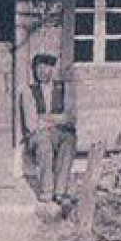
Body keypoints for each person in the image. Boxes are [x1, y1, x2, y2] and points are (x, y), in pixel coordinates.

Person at [19, 53, 77, 205]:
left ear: (53, 69)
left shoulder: (65, 88)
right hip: (39, 134)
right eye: (39, 68)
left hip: (61, 132)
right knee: (44, 145)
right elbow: (31, 124)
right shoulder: (28, 91)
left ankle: (60, 192)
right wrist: (57, 119)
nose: (42, 71)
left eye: (46, 67)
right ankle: (46, 191)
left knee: (69, 141)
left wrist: (45, 118)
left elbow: (70, 118)